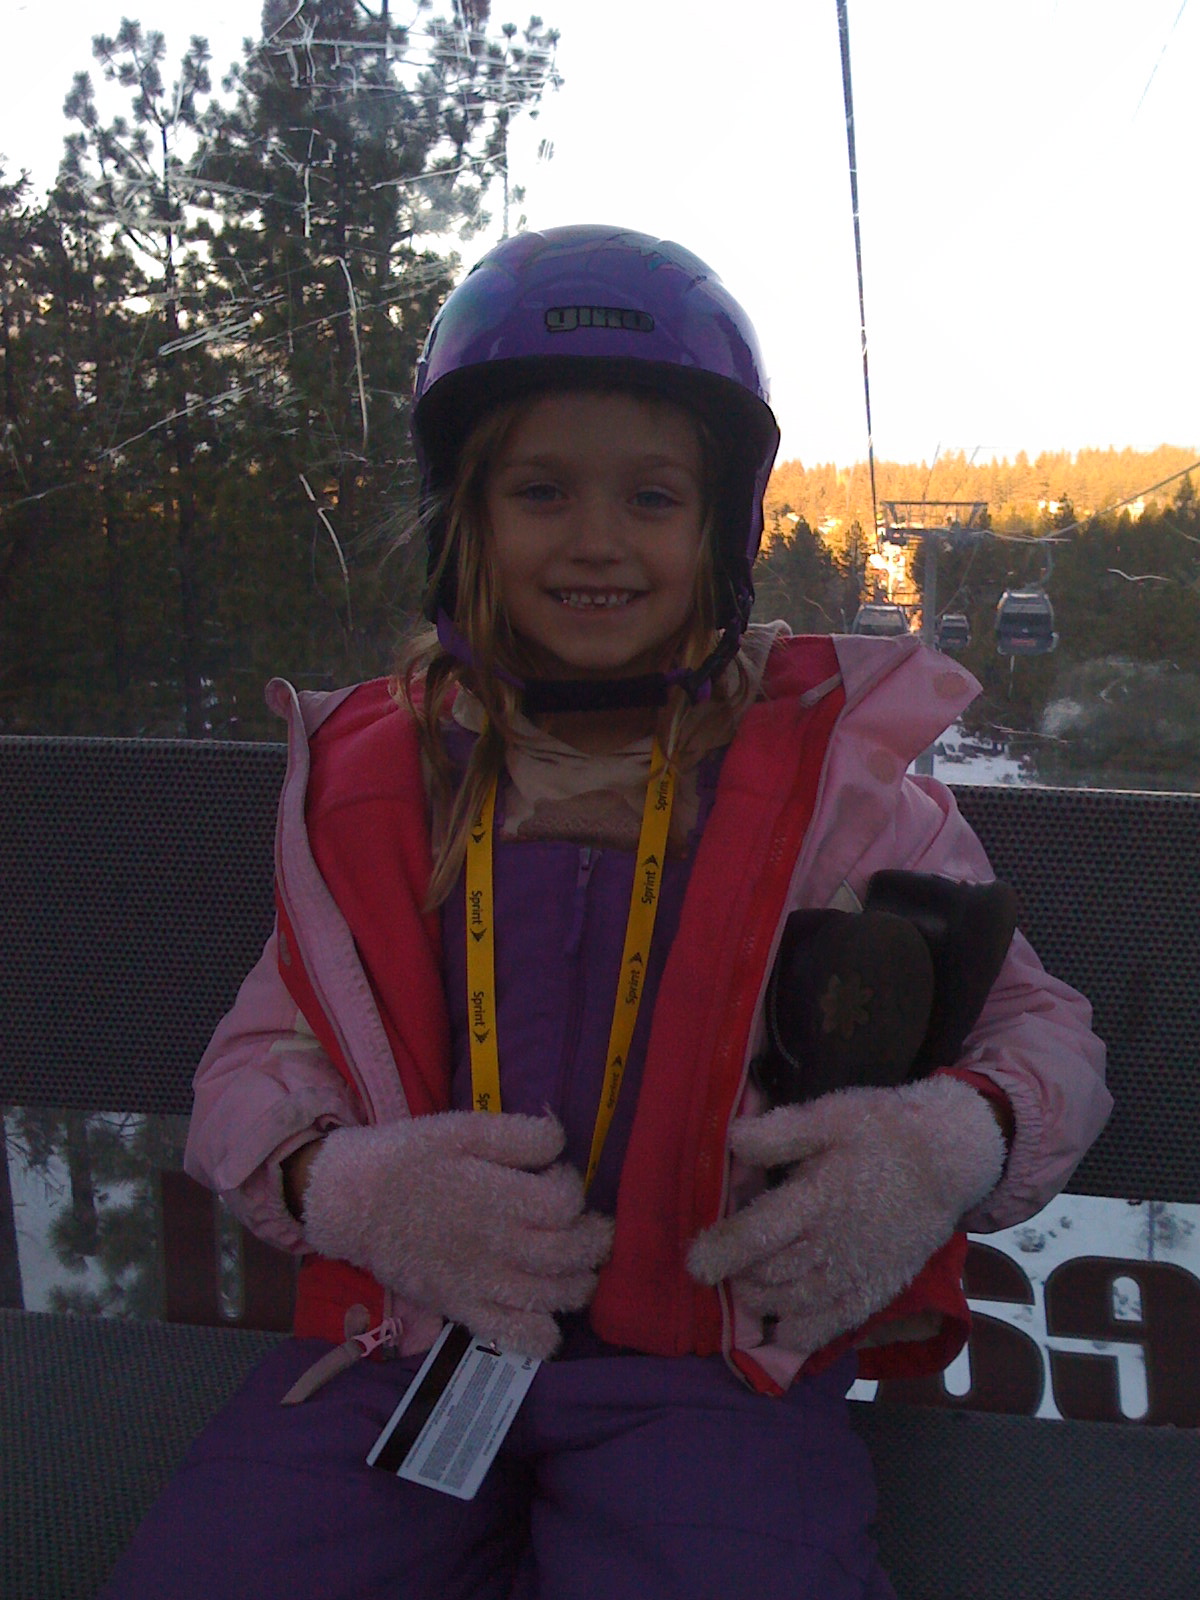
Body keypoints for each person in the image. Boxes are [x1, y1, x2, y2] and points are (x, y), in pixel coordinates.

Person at [101, 224, 1111, 1600]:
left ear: (721, 529)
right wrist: (349, 1189)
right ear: (466, 518)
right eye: (540, 491)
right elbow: (251, 1070)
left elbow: (1041, 1035)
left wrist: (941, 1148)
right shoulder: (384, 795)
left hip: (709, 1366)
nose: (596, 540)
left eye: (651, 497)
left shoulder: (837, 794)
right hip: (413, 1344)